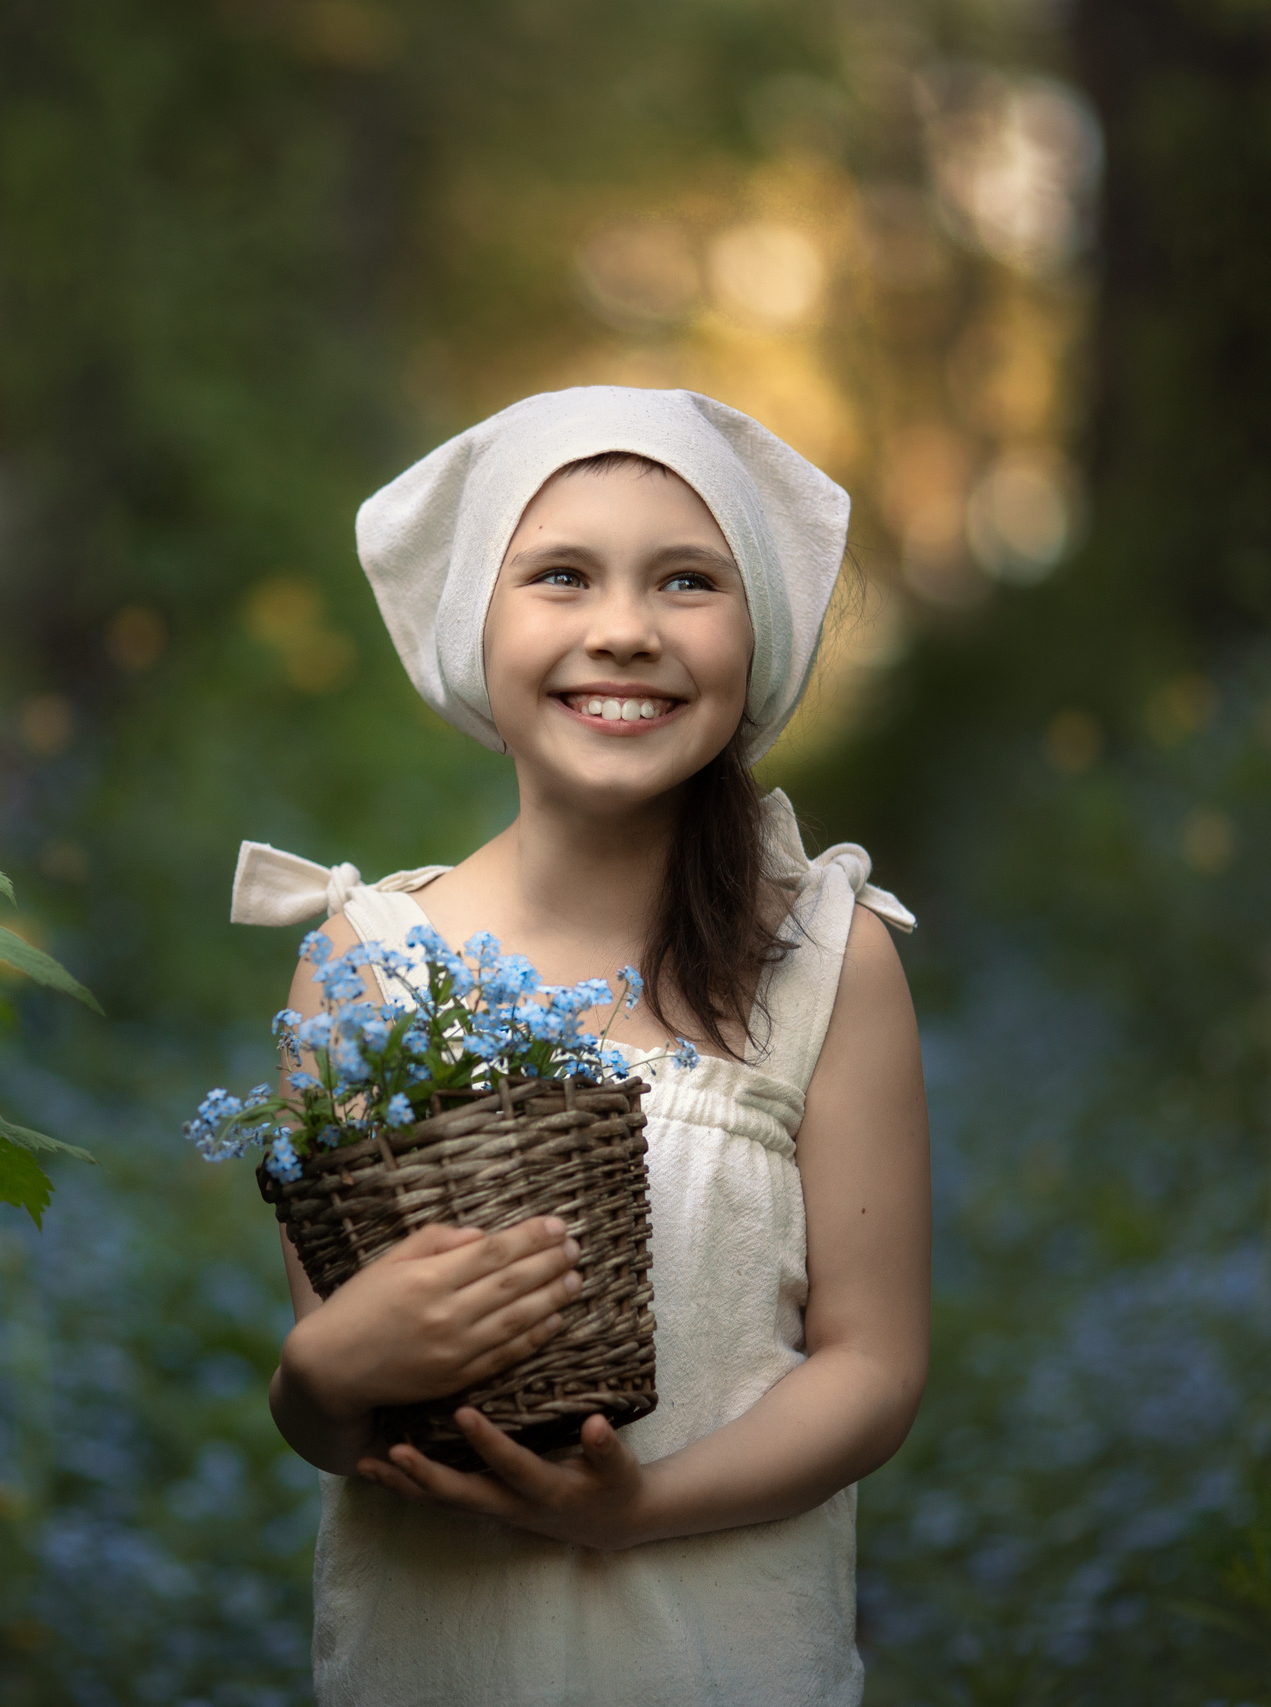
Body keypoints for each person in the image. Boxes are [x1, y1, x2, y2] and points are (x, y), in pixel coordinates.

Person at [227, 386, 931, 1705]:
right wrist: (320, 1372)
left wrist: (640, 1509)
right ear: (474, 627)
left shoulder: (826, 961)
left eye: (686, 581)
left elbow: (875, 1363)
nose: (623, 631)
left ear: (756, 633)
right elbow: (334, 1403)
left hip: (724, 1655)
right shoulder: (364, 968)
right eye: (560, 576)